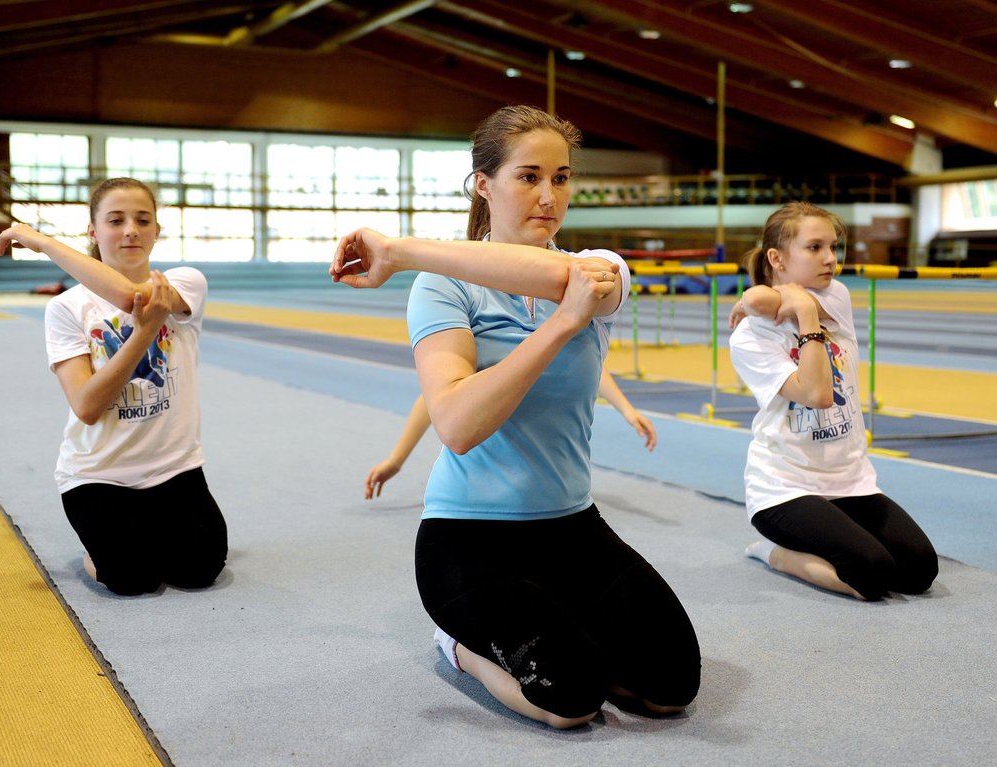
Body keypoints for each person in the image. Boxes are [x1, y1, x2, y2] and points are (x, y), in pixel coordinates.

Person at [332, 105, 700, 728]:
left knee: (671, 686)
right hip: (468, 539)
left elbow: (568, 277)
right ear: (484, 183)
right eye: (528, 177)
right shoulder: (442, 288)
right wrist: (559, 328)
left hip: (572, 529)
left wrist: (399, 249)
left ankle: (558, 620)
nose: (548, 195)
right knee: (571, 701)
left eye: (560, 178)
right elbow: (458, 426)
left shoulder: (599, 268)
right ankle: (458, 649)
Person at [0, 177, 228, 597]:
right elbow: (86, 406)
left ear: (157, 231)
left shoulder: (185, 282)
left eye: (143, 220)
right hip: (99, 475)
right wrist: (143, 334)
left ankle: (141, 531)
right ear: (92, 232)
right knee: (131, 579)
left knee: (200, 569)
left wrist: (44, 243)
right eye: (115, 220)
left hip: (173, 469)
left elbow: (130, 298)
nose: (130, 230)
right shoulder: (67, 308)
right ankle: (99, 546)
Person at [728, 202, 937, 601]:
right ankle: (772, 552)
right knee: (870, 576)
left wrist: (794, 301)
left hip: (851, 482)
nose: (830, 259)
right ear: (777, 258)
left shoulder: (835, 295)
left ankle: (831, 536)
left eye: (834, 247)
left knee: (918, 570)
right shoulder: (751, 337)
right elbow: (817, 395)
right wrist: (806, 318)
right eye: (814, 248)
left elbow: (758, 299)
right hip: (785, 488)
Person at [365, 369, 657, 499]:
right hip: (487, 479)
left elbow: (587, 360)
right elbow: (433, 400)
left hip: (547, 483)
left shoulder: (545, 297)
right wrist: (397, 459)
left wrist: (627, 410)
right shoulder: (473, 303)